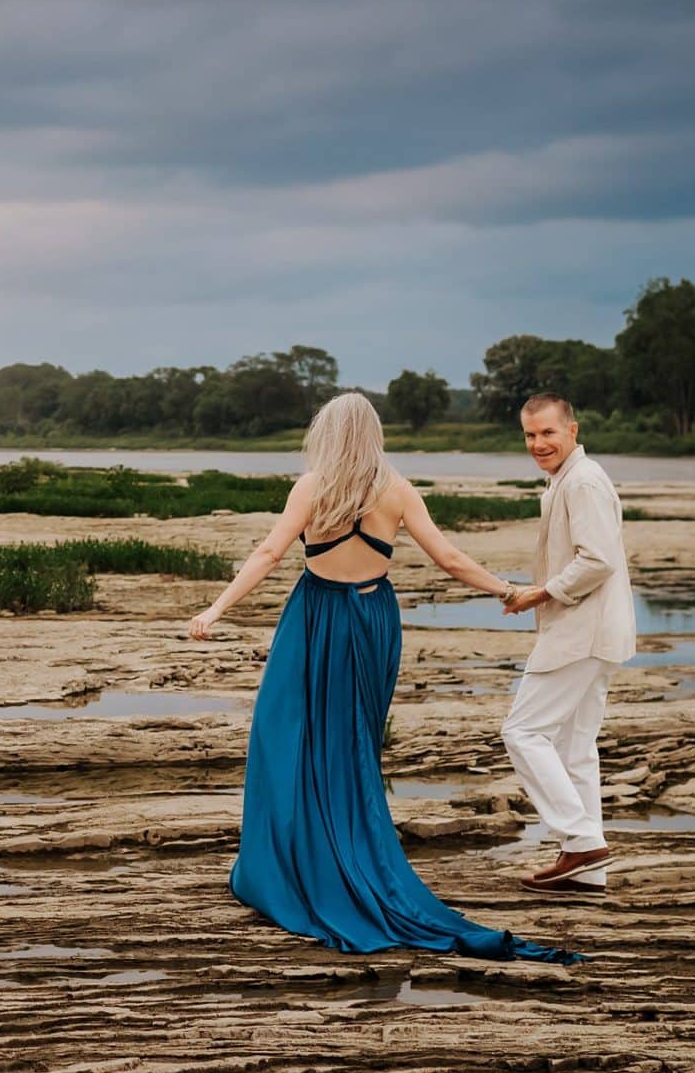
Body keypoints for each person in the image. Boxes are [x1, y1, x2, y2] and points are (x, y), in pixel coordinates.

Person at [188, 393, 574, 962]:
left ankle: (294, 864)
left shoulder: (312, 486)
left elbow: (270, 552)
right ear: (372, 435)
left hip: (315, 618)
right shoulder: (394, 489)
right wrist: (505, 590)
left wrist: (216, 609)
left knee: (285, 738)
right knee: (351, 744)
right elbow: (449, 558)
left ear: (327, 433)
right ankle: (336, 854)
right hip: (371, 620)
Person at [499, 394, 636, 897]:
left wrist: (541, 592)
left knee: (523, 732)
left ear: (572, 431)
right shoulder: (565, 482)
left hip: (583, 632)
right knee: (574, 748)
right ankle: (589, 871)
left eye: (548, 433)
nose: (538, 444)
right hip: (592, 632)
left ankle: (580, 841)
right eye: (530, 435)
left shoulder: (583, 481)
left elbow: (597, 560)